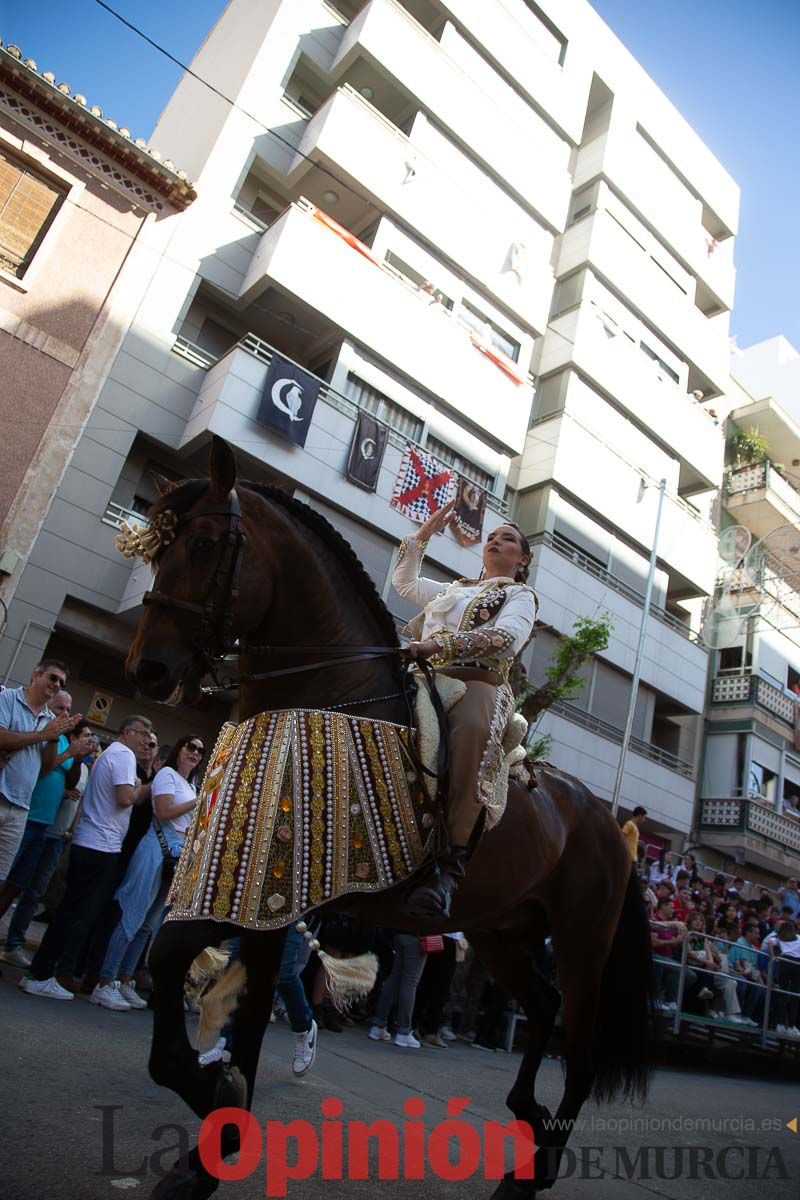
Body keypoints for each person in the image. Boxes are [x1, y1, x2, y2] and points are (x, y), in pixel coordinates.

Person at [391, 503, 537, 917]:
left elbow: (507, 637)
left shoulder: (519, 595)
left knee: (472, 730)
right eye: (492, 536)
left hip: (477, 681)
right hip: (423, 674)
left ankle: (450, 863)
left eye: (507, 539)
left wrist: (440, 646)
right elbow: (404, 583)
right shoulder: (455, 588)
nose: (495, 540)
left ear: (522, 560)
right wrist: (422, 536)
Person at [20, 714, 153, 1000]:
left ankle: (42, 972)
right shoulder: (122, 756)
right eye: (143, 733)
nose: (146, 740)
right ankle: (41, 974)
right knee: (73, 915)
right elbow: (124, 798)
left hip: (93, 842)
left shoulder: (111, 755)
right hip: (99, 845)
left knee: (71, 912)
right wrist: (145, 789)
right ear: (127, 732)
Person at [91, 734, 203, 1011]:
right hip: (157, 846)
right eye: (190, 746)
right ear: (179, 749)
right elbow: (163, 811)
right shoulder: (167, 775)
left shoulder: (191, 785)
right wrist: (196, 804)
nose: (195, 753)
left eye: (200, 750)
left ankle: (125, 978)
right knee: (132, 914)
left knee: (148, 924)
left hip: (178, 852)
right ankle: (105, 981)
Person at [0, 697, 93, 963]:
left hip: (45, 825)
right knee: (3, 880)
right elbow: (43, 769)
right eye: (60, 707)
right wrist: (64, 749)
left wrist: (75, 758)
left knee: (17, 886)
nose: (64, 712)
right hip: (25, 814)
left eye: (67, 708)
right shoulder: (43, 735)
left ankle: (11, 945)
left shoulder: (62, 740)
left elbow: (70, 778)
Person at [0, 660, 82, 880]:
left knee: (2, 877)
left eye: (62, 683)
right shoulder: (8, 698)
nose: (57, 684)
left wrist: (54, 736)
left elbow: (45, 767)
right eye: (53, 678)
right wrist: (42, 735)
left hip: (20, 808)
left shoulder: (48, 718)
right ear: (36, 675)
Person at [369, 931, 428, 1048]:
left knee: (394, 978)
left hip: (401, 931)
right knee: (410, 982)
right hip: (419, 933)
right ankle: (404, 1031)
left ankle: (379, 1024)